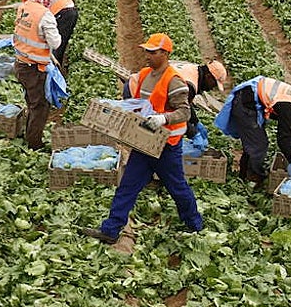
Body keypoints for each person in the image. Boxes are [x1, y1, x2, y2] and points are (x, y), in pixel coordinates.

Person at [82, 34, 204, 244]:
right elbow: (137, 102)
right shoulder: (146, 74)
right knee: (128, 185)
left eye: (152, 52)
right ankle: (111, 230)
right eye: (146, 51)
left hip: (167, 146)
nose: (147, 55)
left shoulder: (174, 81)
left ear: (165, 54)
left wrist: (163, 118)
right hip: (145, 141)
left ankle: (195, 225)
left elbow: (184, 112)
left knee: (177, 187)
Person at [215, 75, 291, 185]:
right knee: (258, 145)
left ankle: (245, 173)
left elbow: (290, 130)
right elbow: (283, 140)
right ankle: (250, 178)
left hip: (254, 97)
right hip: (246, 102)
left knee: (255, 141)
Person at [125, 59, 228, 149]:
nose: (212, 88)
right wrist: (193, 133)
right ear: (208, 76)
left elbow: (185, 104)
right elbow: (178, 114)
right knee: (144, 135)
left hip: (140, 84)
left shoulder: (193, 70)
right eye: (214, 84)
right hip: (138, 92)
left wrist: (196, 122)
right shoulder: (189, 84)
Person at [11, 0, 61, 150]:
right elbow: (56, 43)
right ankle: (34, 144)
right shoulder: (45, 16)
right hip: (34, 68)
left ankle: (29, 131)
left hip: (20, 63)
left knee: (32, 101)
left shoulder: (24, 6)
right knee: (40, 106)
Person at [10, 0, 77, 67]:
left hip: (63, 12)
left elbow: (34, 9)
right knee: (58, 44)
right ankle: (54, 67)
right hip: (67, 11)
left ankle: (52, 70)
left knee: (54, 45)